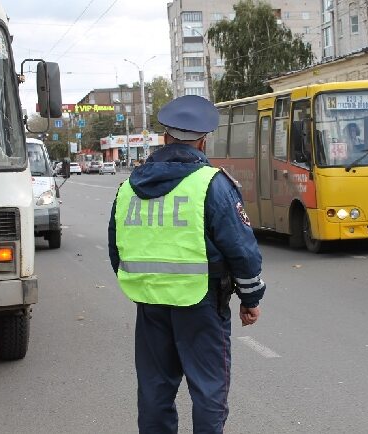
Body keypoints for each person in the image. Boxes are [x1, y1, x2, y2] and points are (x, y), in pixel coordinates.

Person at [108, 95, 265, 433]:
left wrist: (149, 283)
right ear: (203, 140)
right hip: (201, 304)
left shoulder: (128, 188)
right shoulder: (211, 184)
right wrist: (250, 300)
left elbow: (116, 252)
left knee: (155, 390)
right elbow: (241, 250)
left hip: (150, 304)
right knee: (208, 391)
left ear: (165, 138)